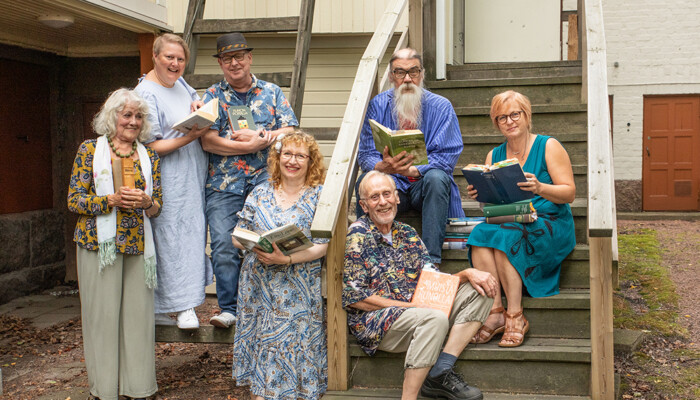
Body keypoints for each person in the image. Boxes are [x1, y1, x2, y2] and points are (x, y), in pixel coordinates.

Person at [343, 171, 497, 400]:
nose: (383, 202)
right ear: (364, 206)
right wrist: (412, 308)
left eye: (387, 194)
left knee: (481, 290)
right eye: (375, 197)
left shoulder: (408, 233)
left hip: (417, 309)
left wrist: (467, 274)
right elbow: (357, 298)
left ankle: (440, 370)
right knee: (434, 317)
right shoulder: (358, 234)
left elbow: (433, 280)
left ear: (397, 198)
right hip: (376, 322)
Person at [67, 88, 162, 400]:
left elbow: (157, 207)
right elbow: (74, 201)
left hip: (138, 243)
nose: (133, 121)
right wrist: (109, 199)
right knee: (103, 318)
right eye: (127, 115)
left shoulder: (150, 156)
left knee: (138, 319)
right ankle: (105, 390)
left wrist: (148, 201)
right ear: (113, 117)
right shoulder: (89, 150)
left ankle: (138, 388)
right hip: (98, 245)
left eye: (138, 116)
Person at [200, 32, 298, 329]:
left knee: (267, 241)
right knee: (223, 244)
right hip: (224, 184)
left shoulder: (271, 91)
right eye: (227, 58)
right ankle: (229, 309)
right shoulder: (212, 96)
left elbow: (291, 128)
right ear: (220, 63)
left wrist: (267, 137)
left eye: (239, 56)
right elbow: (207, 141)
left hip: (265, 181)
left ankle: (266, 305)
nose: (234, 63)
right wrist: (246, 147)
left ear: (250, 58)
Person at [466, 90, 576, 348]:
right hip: (512, 217)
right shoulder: (494, 155)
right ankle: (495, 312)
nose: (509, 121)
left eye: (515, 114)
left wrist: (540, 188)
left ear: (527, 116)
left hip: (549, 220)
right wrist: (480, 193)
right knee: (479, 235)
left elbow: (569, 193)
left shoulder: (548, 146)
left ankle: (515, 316)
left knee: (506, 235)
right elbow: (493, 203)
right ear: (496, 123)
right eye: (501, 117)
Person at [231, 131, 329, 400]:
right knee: (264, 343)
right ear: (277, 157)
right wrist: (253, 243)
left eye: (300, 155)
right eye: (287, 153)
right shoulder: (260, 192)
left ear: (311, 161)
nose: (293, 160)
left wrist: (285, 258)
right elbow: (238, 233)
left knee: (294, 343)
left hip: (298, 284)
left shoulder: (320, 196)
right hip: (259, 285)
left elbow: (324, 245)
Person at [356, 48, 464, 266]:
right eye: (399, 72)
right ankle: (371, 258)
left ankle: (430, 263)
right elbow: (365, 154)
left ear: (421, 74)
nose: (407, 79)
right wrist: (383, 166)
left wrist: (413, 170)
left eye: (413, 72)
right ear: (391, 76)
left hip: (423, 187)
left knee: (437, 177)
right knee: (364, 182)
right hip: (392, 185)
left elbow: (448, 155)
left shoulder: (441, 107)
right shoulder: (377, 105)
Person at [135, 33, 213, 330]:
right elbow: (150, 147)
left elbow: (195, 102)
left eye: (180, 59)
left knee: (191, 235)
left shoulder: (180, 83)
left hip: (191, 173)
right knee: (169, 239)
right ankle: (179, 308)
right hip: (168, 176)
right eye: (169, 57)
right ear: (155, 57)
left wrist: (200, 110)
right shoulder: (146, 92)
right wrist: (190, 136)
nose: (175, 63)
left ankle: (182, 304)